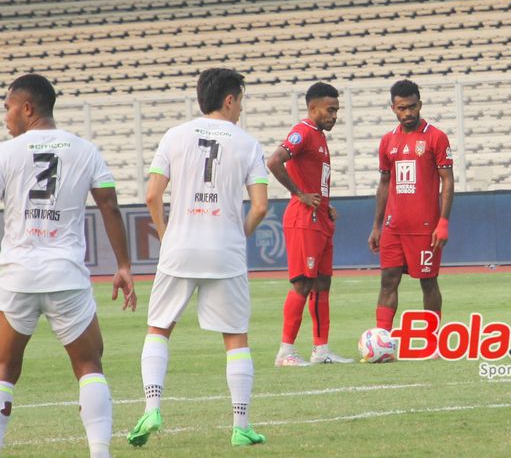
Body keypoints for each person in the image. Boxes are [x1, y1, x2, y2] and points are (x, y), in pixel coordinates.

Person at [127, 68, 268, 448]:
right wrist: (238, 234)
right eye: (240, 99)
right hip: (225, 250)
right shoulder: (248, 143)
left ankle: (151, 407)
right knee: (235, 337)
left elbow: (153, 196)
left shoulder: (175, 136)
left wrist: (167, 232)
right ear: (228, 99)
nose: (241, 108)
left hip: (180, 246)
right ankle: (241, 426)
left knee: (159, 328)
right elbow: (260, 205)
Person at [0, 74, 137, 458]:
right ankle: (99, 453)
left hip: (18, 274)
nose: (7, 116)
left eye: (8, 107)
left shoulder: (6, 153)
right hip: (66, 274)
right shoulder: (85, 150)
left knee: (4, 369)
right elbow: (109, 206)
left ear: (27, 108)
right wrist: (124, 265)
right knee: (89, 363)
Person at [267, 82, 352, 366]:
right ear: (312, 107)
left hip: (320, 219)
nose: (334, 116)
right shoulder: (302, 131)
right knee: (303, 284)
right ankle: (285, 352)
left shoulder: (318, 136)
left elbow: (312, 178)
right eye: (330, 110)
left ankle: (321, 350)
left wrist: (327, 206)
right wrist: (299, 193)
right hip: (303, 219)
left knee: (323, 284)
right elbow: (275, 161)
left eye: (337, 110)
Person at [368, 80, 454, 334]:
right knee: (388, 281)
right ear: (393, 108)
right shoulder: (387, 141)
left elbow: (447, 180)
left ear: (420, 104)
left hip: (425, 228)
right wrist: (377, 226)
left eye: (412, 107)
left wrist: (443, 222)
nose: (408, 113)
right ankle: (382, 339)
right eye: (402, 108)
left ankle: (432, 338)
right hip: (394, 228)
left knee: (428, 282)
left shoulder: (436, 137)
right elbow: (384, 184)